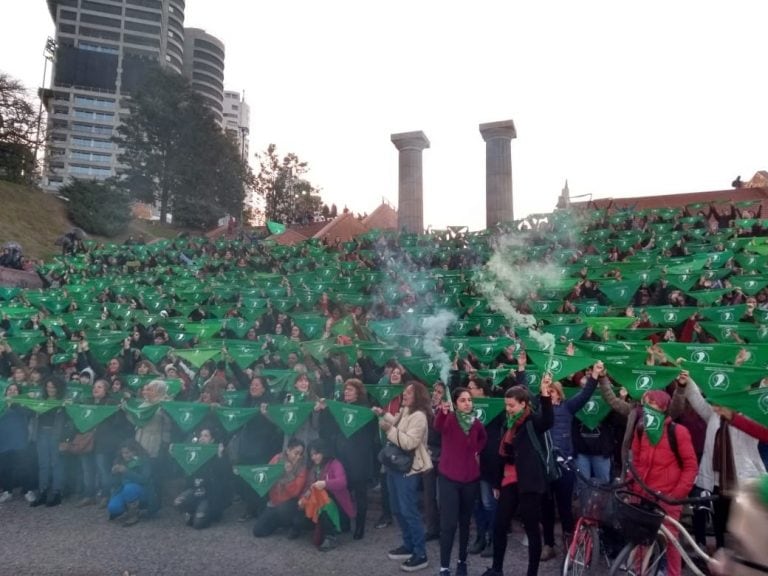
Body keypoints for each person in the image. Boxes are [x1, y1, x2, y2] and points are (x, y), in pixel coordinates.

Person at [674, 375, 766, 550]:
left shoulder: (751, 416)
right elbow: (697, 400)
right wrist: (688, 378)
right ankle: (722, 557)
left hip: (743, 481)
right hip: (716, 481)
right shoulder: (715, 415)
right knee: (719, 524)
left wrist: (763, 384)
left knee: (741, 528)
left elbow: (762, 426)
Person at [481, 382, 554, 576]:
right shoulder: (508, 422)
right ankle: (497, 569)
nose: (508, 409)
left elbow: (548, 421)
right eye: (506, 405)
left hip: (529, 481)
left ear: (523, 404)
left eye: (511, 405)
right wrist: (497, 482)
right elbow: (501, 455)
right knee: (499, 525)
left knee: (531, 528)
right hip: (509, 479)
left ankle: (532, 572)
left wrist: (545, 395)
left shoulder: (532, 421)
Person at [627, 389, 698, 576]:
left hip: (668, 496)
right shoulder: (641, 428)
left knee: (671, 541)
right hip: (643, 493)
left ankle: (673, 574)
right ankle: (639, 571)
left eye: (651, 404)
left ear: (662, 407)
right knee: (641, 539)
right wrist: (631, 484)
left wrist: (676, 495)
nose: (647, 409)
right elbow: (636, 460)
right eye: (645, 404)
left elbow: (691, 466)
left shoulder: (678, 431)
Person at [542, 363, 601, 558]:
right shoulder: (540, 409)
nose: (549, 394)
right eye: (547, 391)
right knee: (546, 508)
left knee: (565, 506)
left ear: (559, 394)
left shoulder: (567, 407)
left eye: (553, 392)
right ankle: (548, 544)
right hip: (544, 466)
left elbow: (585, 395)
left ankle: (569, 542)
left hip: (565, 464)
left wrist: (594, 375)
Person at [373, 381, 433, 573]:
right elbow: (396, 423)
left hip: (408, 469)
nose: (404, 394)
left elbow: (409, 442)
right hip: (395, 467)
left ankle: (420, 553)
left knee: (409, 511)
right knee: (397, 509)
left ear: (418, 396)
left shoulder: (419, 416)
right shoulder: (406, 410)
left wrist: (389, 430)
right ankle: (408, 546)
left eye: (409, 392)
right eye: (405, 391)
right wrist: (383, 415)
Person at [434, 387, 487, 576]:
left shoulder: (476, 423)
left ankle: (461, 561)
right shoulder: (449, 418)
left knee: (465, 523)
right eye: (463, 400)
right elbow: (437, 426)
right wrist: (442, 410)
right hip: (449, 478)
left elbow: (483, 439)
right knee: (448, 525)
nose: (467, 403)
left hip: (470, 479)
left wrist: (476, 452)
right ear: (455, 403)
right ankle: (444, 567)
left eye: (469, 400)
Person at [298, 439, 356, 551]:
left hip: (339, 507)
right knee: (300, 519)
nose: (314, 457)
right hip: (320, 505)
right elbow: (307, 488)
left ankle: (331, 537)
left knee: (323, 502)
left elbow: (342, 482)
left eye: (317, 453)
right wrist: (302, 499)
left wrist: (325, 483)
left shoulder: (335, 464)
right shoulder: (314, 469)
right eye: (312, 455)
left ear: (324, 452)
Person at [172, 428, 231, 529]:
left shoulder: (217, 454)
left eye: (206, 436)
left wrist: (220, 455)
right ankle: (192, 511)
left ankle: (208, 513)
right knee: (177, 502)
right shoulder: (194, 453)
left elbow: (225, 474)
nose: (202, 438)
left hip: (209, 495)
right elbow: (183, 471)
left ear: (212, 440)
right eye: (201, 436)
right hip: (194, 490)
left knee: (198, 525)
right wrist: (175, 454)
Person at [251, 438, 308, 538]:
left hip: (291, 503)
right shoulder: (277, 459)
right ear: (288, 450)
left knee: (283, 510)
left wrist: (289, 474)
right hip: (274, 502)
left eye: (301, 454)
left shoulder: (302, 468)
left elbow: (295, 492)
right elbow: (266, 477)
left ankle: (291, 524)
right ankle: (279, 523)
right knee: (258, 531)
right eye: (296, 453)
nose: (298, 457)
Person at [30, 376, 67, 507]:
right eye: (48, 386)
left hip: (56, 434)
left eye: (53, 387)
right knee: (43, 464)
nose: (50, 389)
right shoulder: (41, 401)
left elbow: (68, 422)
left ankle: (57, 492)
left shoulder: (64, 402)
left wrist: (64, 439)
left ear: (58, 388)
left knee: (56, 464)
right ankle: (43, 491)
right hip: (41, 433)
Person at [107, 439, 156, 527]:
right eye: (124, 453)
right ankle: (126, 508)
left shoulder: (144, 461)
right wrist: (113, 474)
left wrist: (126, 472)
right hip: (124, 490)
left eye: (129, 452)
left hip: (144, 490)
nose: (126, 455)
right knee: (113, 508)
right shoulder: (119, 462)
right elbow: (112, 484)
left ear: (136, 451)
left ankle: (134, 515)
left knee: (130, 488)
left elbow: (144, 479)